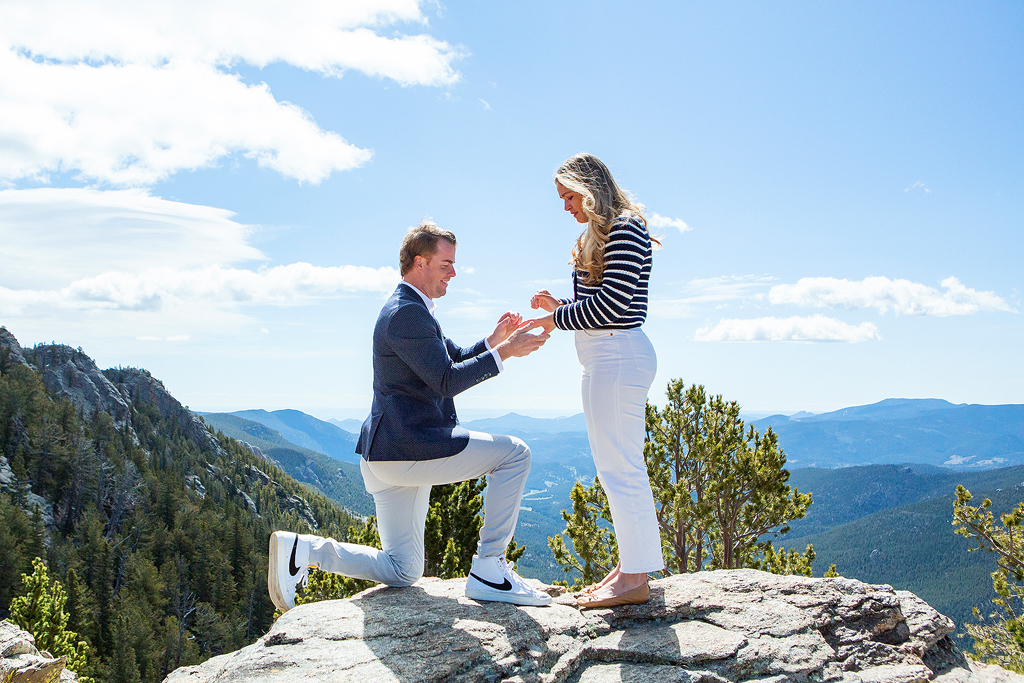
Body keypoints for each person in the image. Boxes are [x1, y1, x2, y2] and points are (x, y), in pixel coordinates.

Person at [269, 221, 553, 611]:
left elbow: (449, 359)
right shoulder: (407, 313)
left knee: (403, 569)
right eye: (446, 263)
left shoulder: (412, 309)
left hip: (389, 456)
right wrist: (506, 353)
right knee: (516, 453)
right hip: (409, 449)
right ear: (420, 263)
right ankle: (490, 568)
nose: (454, 272)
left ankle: (303, 550)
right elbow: (445, 380)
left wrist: (494, 341)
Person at [530, 153, 664, 608]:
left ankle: (634, 579)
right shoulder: (605, 232)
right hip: (604, 356)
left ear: (589, 190)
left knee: (620, 468)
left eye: (569, 196)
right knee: (617, 467)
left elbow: (612, 307)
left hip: (616, 354)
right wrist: (560, 305)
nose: (565, 206)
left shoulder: (625, 227)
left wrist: (555, 317)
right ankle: (631, 568)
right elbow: (604, 300)